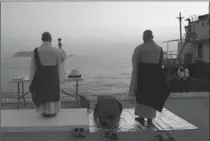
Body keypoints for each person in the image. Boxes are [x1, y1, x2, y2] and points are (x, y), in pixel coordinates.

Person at [129, 30, 169, 126]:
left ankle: (142, 118)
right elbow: (161, 63)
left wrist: (133, 82)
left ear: (144, 37)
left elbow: (135, 64)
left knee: (142, 96)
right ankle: (150, 119)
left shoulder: (140, 48)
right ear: (152, 37)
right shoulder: (159, 48)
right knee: (153, 96)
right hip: (155, 76)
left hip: (143, 75)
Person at [29, 32, 67, 117]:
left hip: (40, 77)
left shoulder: (35, 51)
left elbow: (33, 67)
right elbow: (63, 57)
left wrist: (31, 80)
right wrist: (60, 48)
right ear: (51, 39)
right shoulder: (56, 50)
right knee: (52, 94)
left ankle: (43, 112)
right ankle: (52, 111)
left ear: (42, 39)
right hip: (52, 76)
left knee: (42, 94)